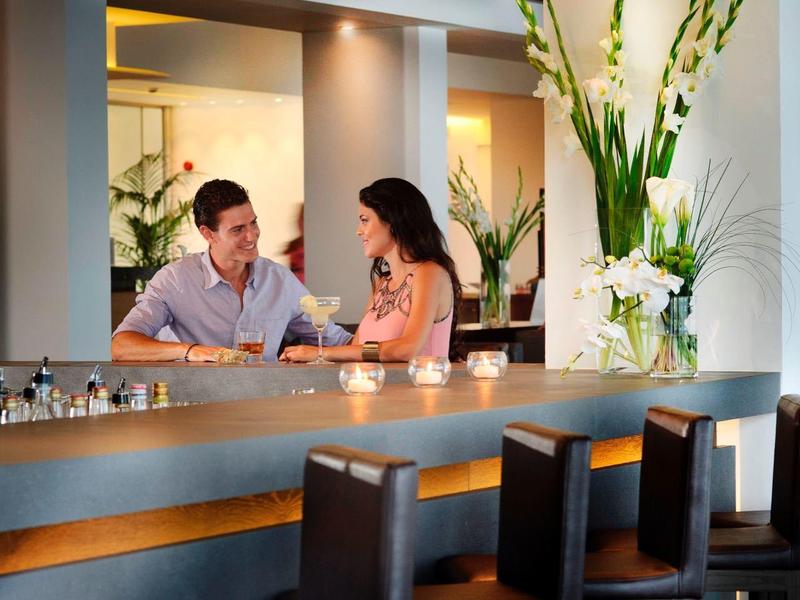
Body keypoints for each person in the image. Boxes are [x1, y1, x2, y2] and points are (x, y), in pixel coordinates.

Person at [111, 179, 351, 362]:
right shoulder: (175, 280)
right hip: (194, 410)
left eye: (253, 223)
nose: (251, 236)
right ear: (208, 233)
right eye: (237, 230)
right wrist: (189, 351)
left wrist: (385, 340)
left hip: (264, 409)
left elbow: (336, 341)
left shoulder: (279, 280)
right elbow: (120, 346)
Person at [280, 178, 460, 363]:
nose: (359, 231)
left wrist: (320, 353)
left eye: (365, 220)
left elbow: (407, 349)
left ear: (392, 221)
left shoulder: (429, 273)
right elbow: (356, 349)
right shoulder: (382, 285)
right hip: (374, 389)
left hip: (418, 390)